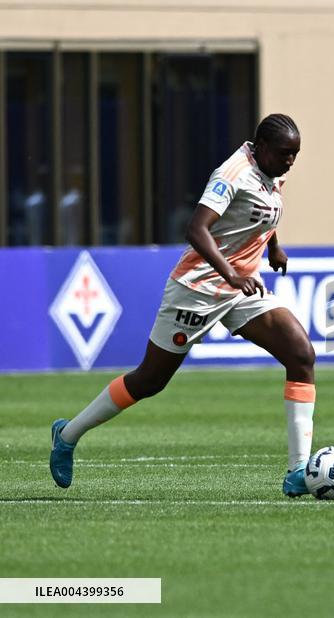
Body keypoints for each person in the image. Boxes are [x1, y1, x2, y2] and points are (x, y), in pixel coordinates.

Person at [49, 114, 319, 497]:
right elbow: (197, 229)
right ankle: (68, 434)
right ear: (259, 148)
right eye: (285, 154)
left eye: (295, 155)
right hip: (197, 289)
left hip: (240, 288)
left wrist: (273, 246)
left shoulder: (273, 169)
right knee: (149, 380)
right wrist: (230, 273)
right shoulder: (232, 174)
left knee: (301, 354)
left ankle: (298, 472)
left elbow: (266, 210)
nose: (290, 162)